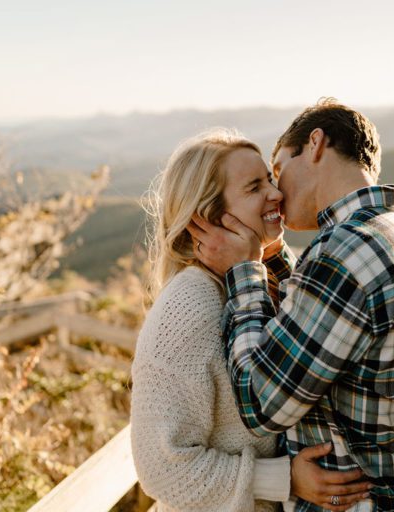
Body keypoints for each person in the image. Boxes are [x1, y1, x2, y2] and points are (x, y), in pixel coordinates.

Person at [188, 99, 394, 512]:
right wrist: (270, 256)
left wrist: (243, 269)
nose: (275, 192)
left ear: (316, 144)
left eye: (278, 170)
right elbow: (324, 320)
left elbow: (261, 403)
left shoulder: (343, 251)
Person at [130, 129, 374, 512]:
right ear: (209, 217)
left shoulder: (252, 282)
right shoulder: (189, 305)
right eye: (254, 187)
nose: (276, 194)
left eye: (271, 180)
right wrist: (284, 478)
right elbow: (162, 470)